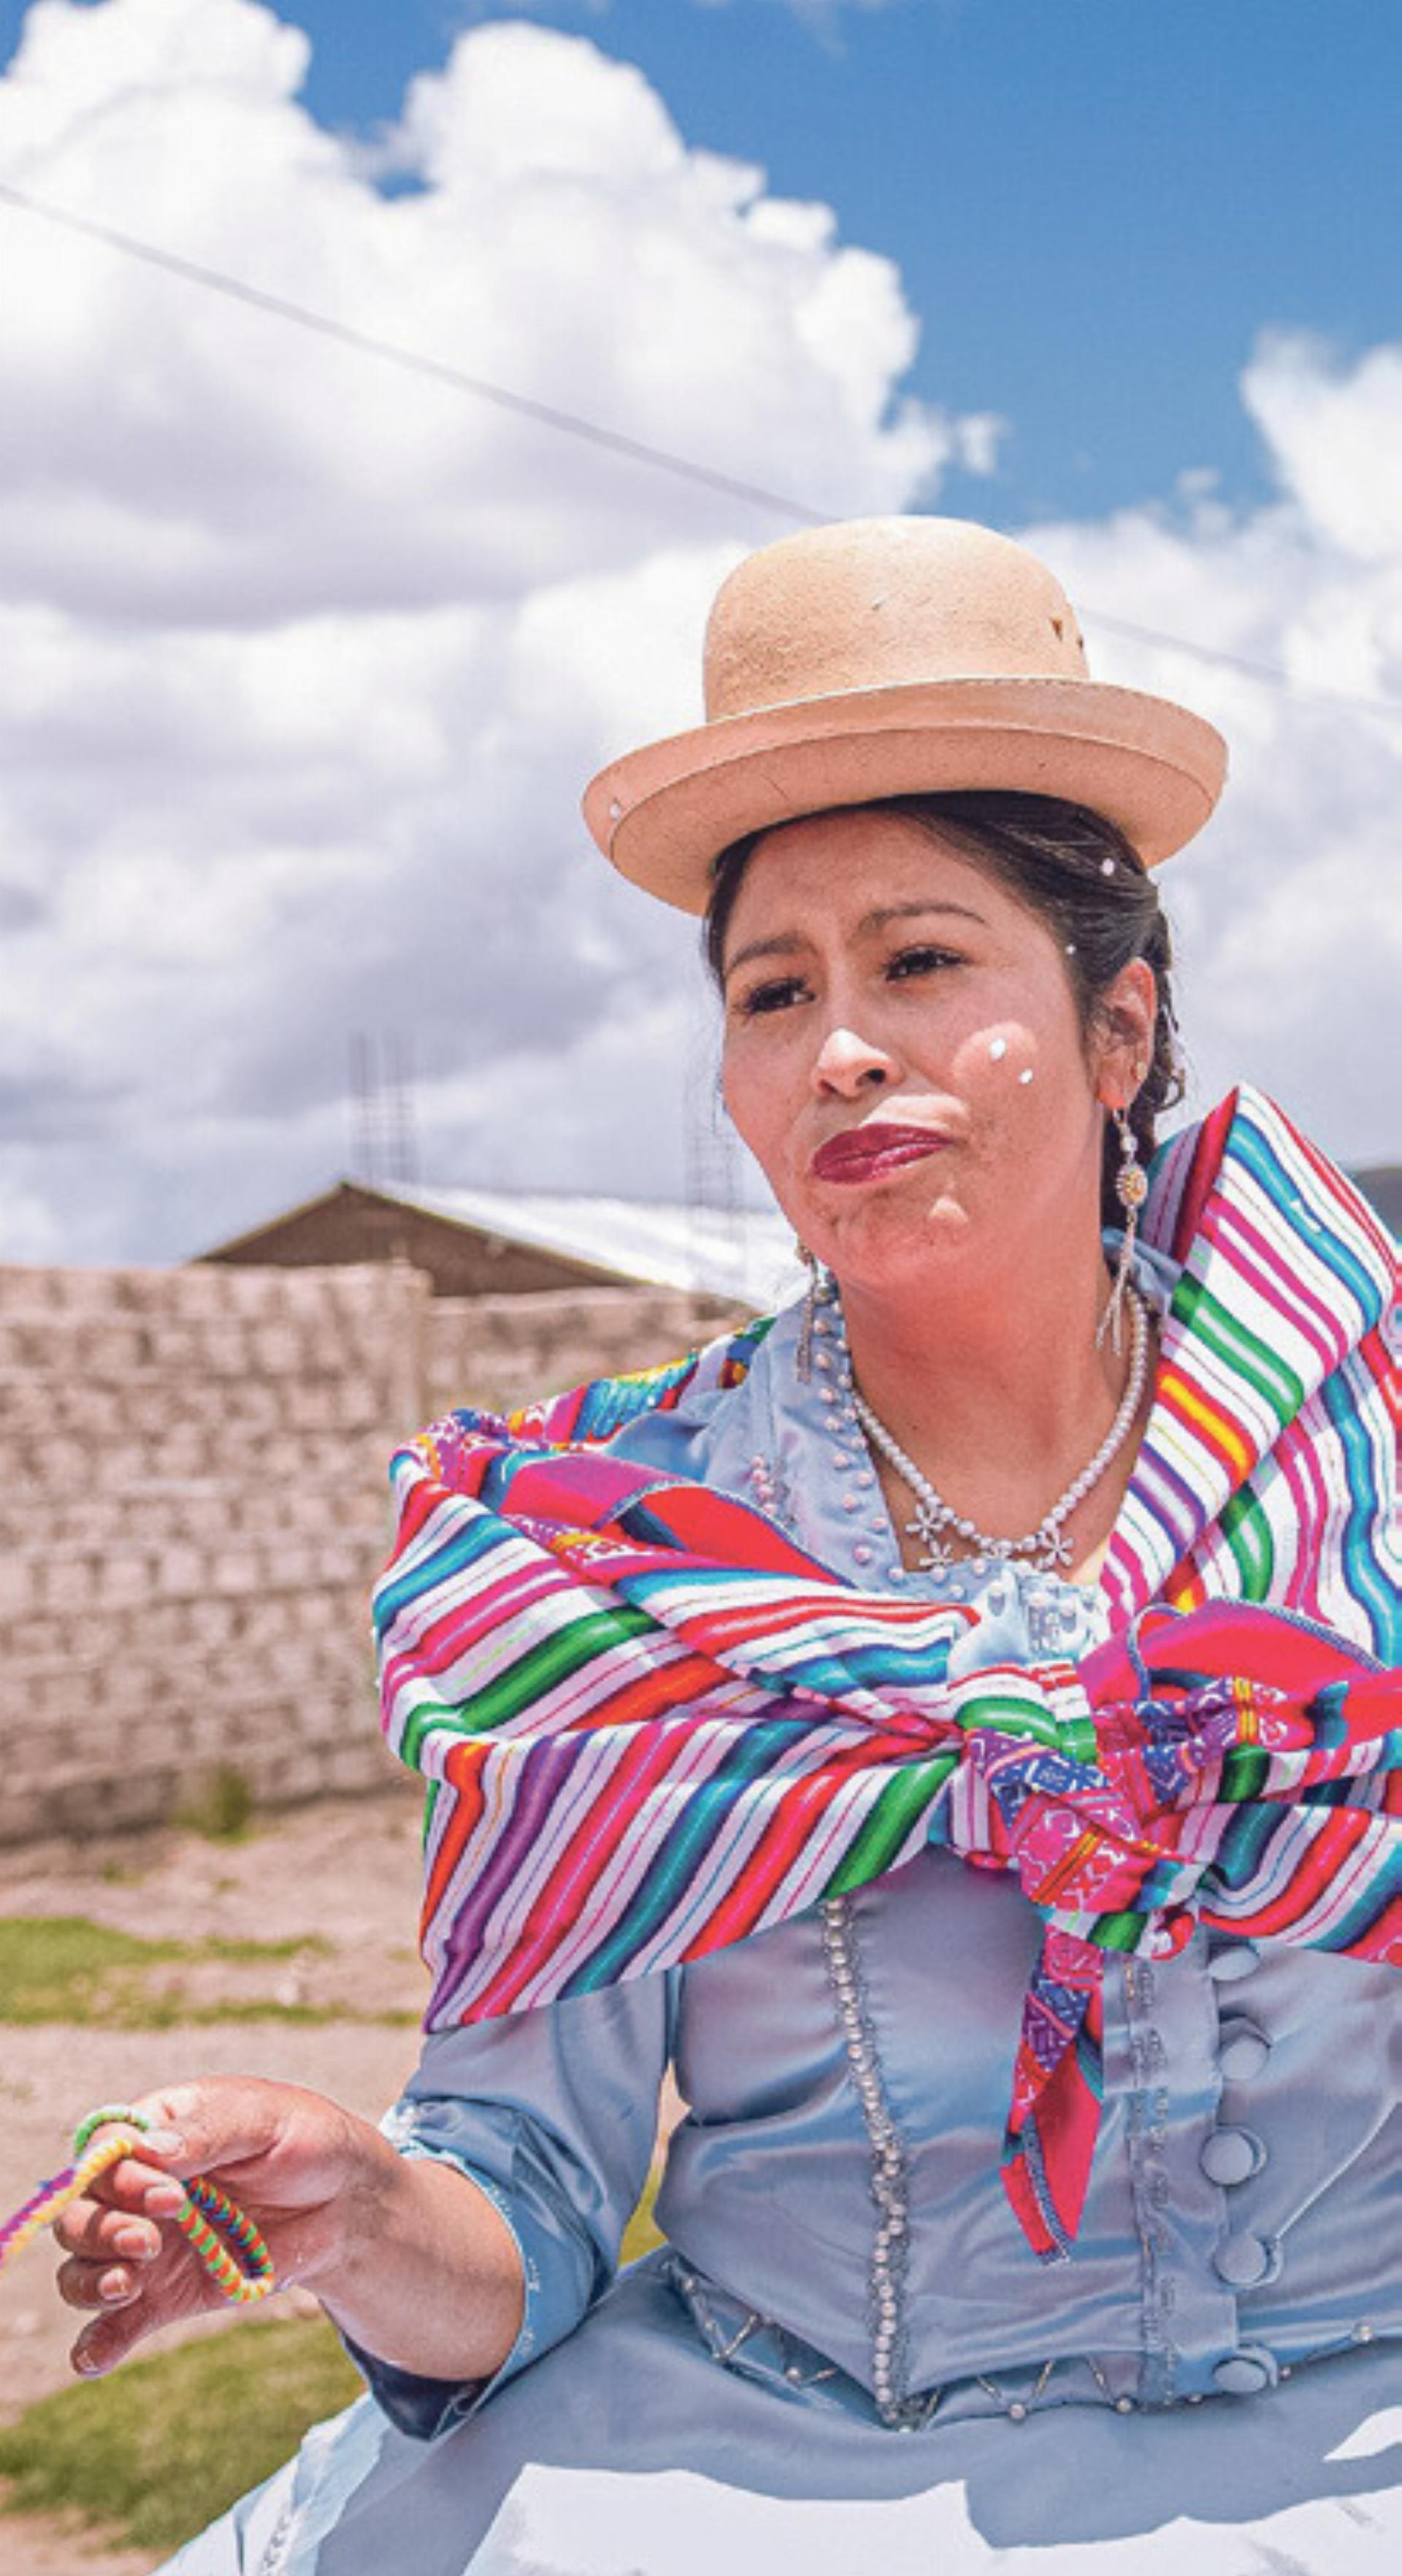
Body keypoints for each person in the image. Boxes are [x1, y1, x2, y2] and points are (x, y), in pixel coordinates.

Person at [53, 518, 1398, 2575]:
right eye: (780, 991)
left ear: (1121, 1028)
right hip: (797, 2486)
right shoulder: (612, 1573)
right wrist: (357, 2205)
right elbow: (527, 2192)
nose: (844, 1042)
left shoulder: (1355, 1437)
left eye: (925, 961)